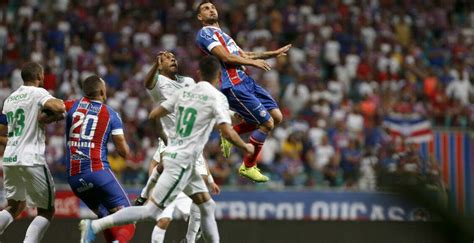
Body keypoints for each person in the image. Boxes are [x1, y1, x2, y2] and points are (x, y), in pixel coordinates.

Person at [80, 56, 254, 243]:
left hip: (181, 158)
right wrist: (246, 146)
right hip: (182, 162)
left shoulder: (185, 91)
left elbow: (154, 115)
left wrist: (165, 138)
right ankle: (95, 225)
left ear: (198, 73)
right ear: (219, 75)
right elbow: (227, 132)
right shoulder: (216, 97)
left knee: (207, 205)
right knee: (150, 211)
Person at [195, 0, 290, 182]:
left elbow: (243, 55)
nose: (211, 10)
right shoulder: (205, 33)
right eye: (206, 9)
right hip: (233, 86)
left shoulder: (222, 34)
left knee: (277, 117)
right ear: (200, 17)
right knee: (267, 124)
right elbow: (226, 58)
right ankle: (248, 166)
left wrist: (272, 54)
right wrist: (253, 64)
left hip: (246, 81)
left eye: (212, 7)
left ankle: (230, 132)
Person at [136, 51, 221, 243]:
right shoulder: (158, 83)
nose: (172, 59)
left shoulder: (188, 81)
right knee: (165, 217)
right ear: (160, 64)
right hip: (170, 142)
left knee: (204, 203)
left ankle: (189, 240)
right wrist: (155, 67)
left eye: (174, 56)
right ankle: (144, 196)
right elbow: (147, 83)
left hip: (189, 144)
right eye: (167, 58)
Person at [64, 75, 135, 243]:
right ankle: (94, 228)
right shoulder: (110, 114)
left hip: (74, 179)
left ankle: (95, 228)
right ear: (103, 91)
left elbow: (49, 113)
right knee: (129, 219)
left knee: (106, 219)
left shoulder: (72, 105)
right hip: (98, 172)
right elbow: (124, 152)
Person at [0, 62, 65, 242]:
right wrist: (54, 114)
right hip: (31, 158)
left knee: (15, 206)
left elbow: (1, 132)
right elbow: (59, 107)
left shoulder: (9, 99)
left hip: (10, 158)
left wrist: (15, 141)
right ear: (40, 76)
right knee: (46, 211)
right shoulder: (38, 93)